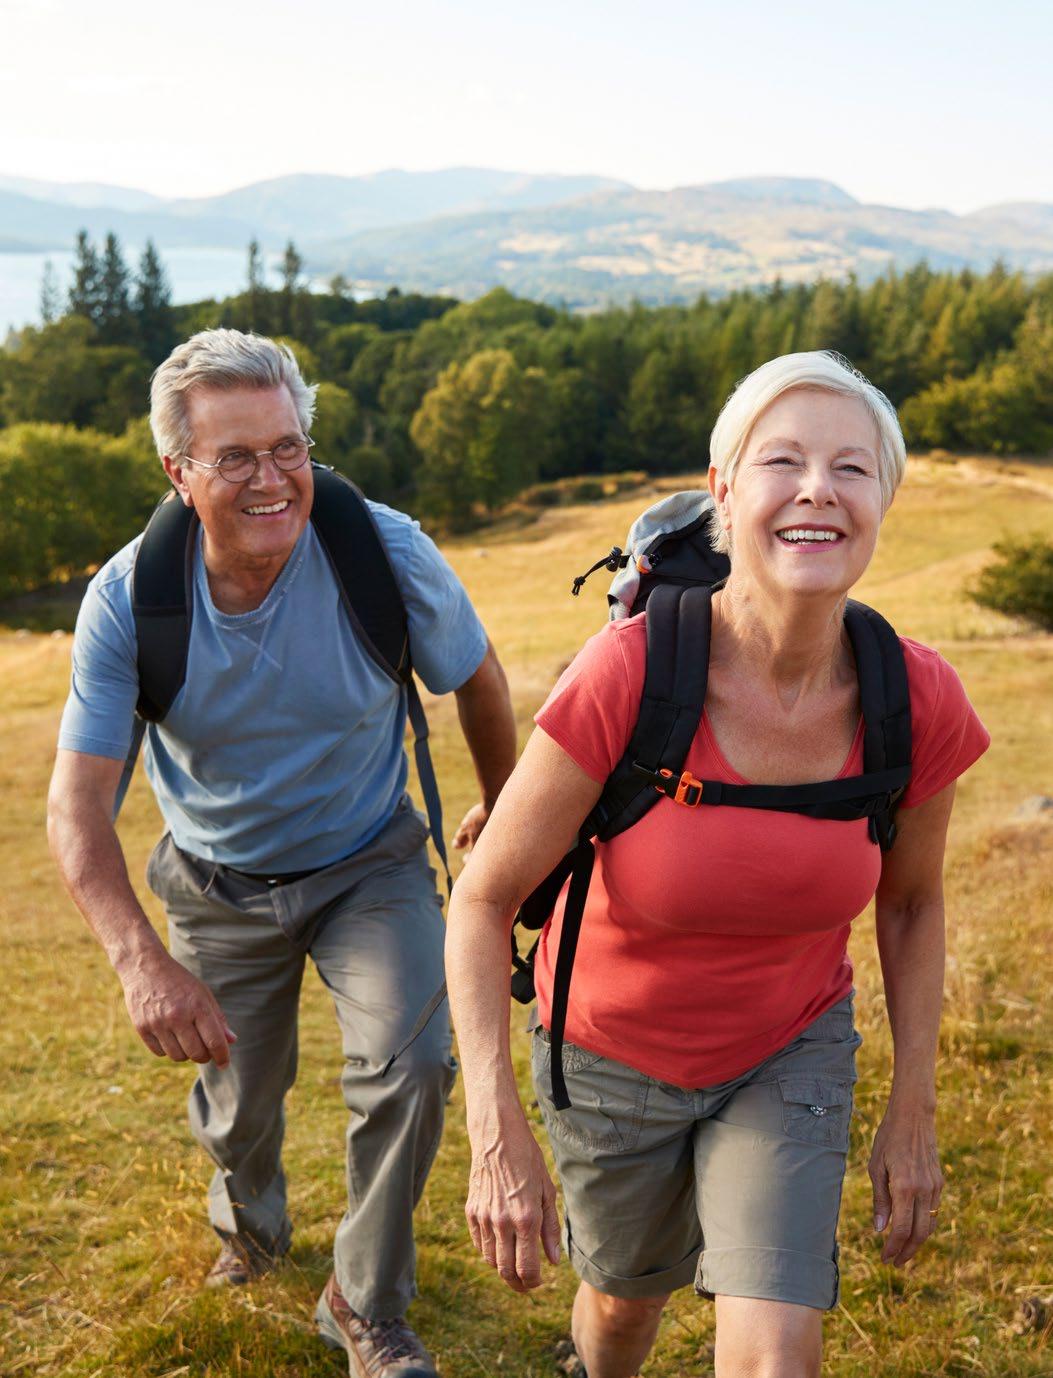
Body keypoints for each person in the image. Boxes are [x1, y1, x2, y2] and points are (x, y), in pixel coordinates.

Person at [445, 352, 990, 1378]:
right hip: (609, 1053)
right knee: (621, 1311)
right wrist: (493, 1126)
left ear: (882, 501)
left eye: (852, 468)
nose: (818, 488)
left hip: (790, 1048)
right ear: (724, 493)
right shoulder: (631, 672)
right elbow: (482, 899)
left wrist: (913, 1109)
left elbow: (912, 906)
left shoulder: (914, 698)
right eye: (782, 461)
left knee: (778, 1351)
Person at [47, 328, 517, 1378]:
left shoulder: (383, 552)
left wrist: (502, 811)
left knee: (413, 1065)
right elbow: (76, 809)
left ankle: (365, 1300)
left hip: (370, 861)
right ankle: (250, 1230)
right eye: (236, 458)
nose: (272, 480)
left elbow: (478, 678)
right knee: (238, 1108)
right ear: (178, 472)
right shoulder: (129, 600)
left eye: (288, 447)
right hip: (215, 883)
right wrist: (140, 961)